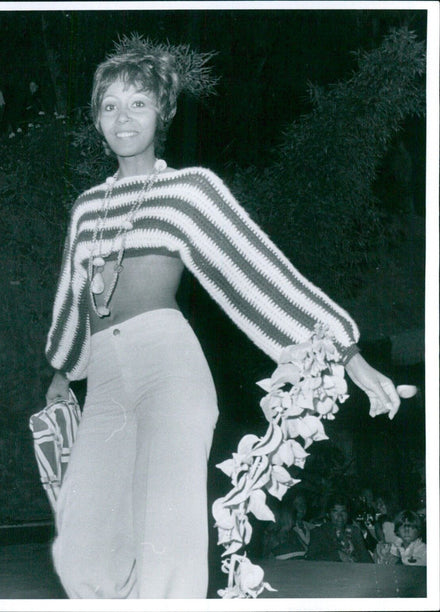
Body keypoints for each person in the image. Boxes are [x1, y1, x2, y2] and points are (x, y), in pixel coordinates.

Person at [43, 35, 399, 598]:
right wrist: (63, 371)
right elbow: (72, 300)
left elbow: (260, 275)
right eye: (110, 105)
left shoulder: (189, 190)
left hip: (168, 367)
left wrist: (348, 353)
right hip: (107, 377)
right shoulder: (89, 206)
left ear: (163, 112)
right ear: (96, 119)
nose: (123, 117)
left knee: (167, 540)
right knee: (82, 547)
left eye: (138, 102)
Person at [306, 496, 372, 563]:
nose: (340, 516)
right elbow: (311, 558)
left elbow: (366, 558)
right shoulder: (319, 533)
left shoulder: (355, 531)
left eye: (343, 512)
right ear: (328, 514)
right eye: (335, 512)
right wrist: (337, 555)